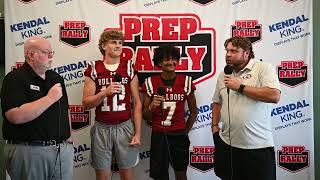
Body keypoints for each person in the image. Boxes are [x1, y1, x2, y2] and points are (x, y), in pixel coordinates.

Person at [1, 36, 74, 180]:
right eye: (47, 52)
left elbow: (65, 109)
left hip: (62, 150)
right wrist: (49, 98)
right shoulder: (14, 78)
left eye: (52, 52)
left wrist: (69, 136)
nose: (51, 56)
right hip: (29, 151)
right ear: (31, 55)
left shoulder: (56, 78)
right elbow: (14, 116)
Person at [211, 36, 281, 180]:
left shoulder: (263, 68)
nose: (228, 54)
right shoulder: (224, 74)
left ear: (247, 53)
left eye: (234, 51)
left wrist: (240, 87)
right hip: (227, 145)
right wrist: (214, 127)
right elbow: (217, 102)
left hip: (257, 147)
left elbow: (274, 95)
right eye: (227, 50)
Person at [82, 29, 142, 180]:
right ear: (103, 46)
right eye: (113, 42)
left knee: (127, 177)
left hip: (125, 126)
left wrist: (138, 132)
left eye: (120, 43)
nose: (118, 46)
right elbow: (86, 104)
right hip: (102, 127)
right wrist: (104, 93)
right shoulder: (94, 68)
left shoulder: (129, 67)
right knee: (102, 177)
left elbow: (137, 103)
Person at [141, 44, 198, 180]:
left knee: (181, 173)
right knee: (160, 176)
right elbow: (145, 115)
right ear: (160, 62)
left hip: (179, 134)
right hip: (159, 134)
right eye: (167, 59)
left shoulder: (186, 81)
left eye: (174, 59)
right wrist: (151, 107)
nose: (171, 62)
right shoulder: (150, 82)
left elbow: (194, 111)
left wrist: (185, 130)